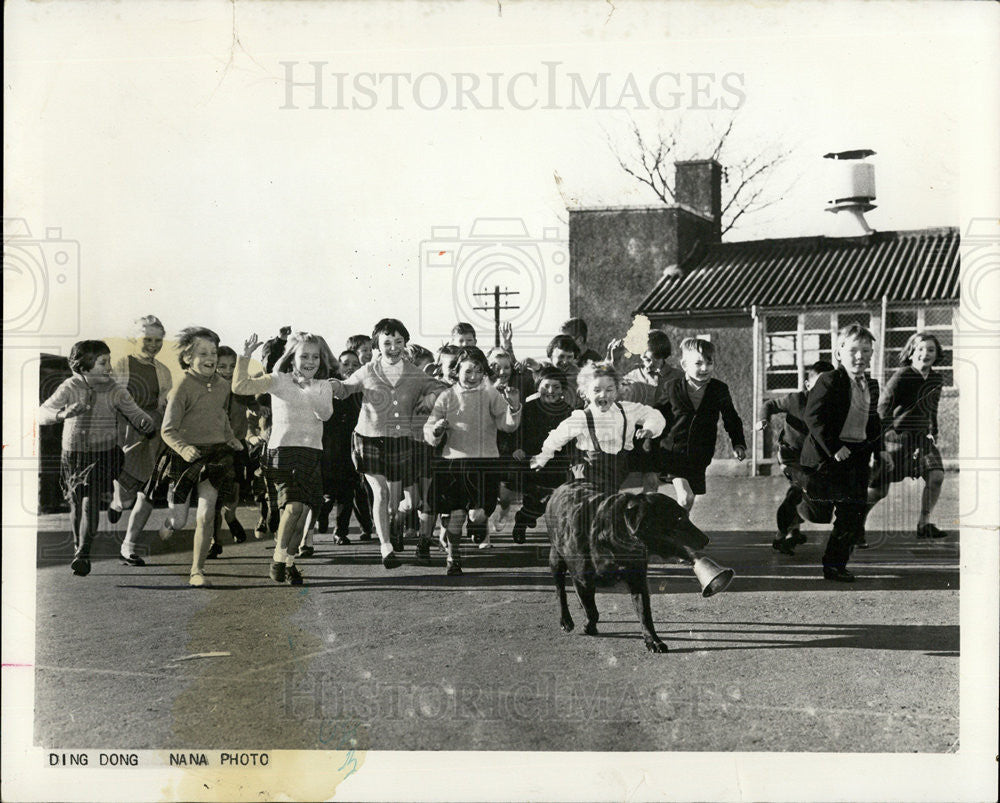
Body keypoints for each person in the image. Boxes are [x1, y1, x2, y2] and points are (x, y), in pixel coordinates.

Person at [329, 318, 442, 569]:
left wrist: (432, 396)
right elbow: (347, 388)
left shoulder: (414, 373)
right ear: (377, 344)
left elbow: (444, 389)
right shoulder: (368, 369)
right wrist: (336, 385)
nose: (393, 347)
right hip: (368, 438)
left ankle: (392, 527)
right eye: (387, 342)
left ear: (405, 343)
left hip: (399, 442)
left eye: (398, 342)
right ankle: (386, 547)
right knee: (379, 492)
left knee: (394, 502)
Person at [39, 340, 154, 576]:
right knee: (75, 503)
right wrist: (64, 414)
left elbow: (136, 413)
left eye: (109, 361)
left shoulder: (115, 389)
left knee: (90, 500)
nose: (110, 367)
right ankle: (78, 544)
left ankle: (83, 552)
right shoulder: (69, 386)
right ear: (84, 366)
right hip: (74, 454)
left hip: (103, 453)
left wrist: (146, 423)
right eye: (103, 362)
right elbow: (42, 413)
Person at [233, 332, 336, 585]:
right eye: (304, 356)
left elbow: (324, 414)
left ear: (321, 361)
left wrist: (308, 389)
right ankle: (279, 559)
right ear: (292, 357)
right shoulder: (279, 380)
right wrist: (245, 357)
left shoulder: (323, 386)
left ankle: (288, 563)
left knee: (302, 516)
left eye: (315, 357)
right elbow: (240, 387)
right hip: (282, 453)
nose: (309, 361)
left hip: (311, 454)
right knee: (294, 507)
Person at [799, 323, 886, 582]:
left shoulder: (871, 385)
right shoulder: (830, 380)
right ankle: (800, 503)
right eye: (853, 350)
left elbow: (872, 421)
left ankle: (835, 565)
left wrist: (881, 450)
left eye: (866, 351)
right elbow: (812, 417)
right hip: (830, 455)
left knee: (853, 512)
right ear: (839, 353)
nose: (860, 356)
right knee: (821, 507)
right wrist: (834, 448)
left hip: (857, 455)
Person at [157, 327, 244, 587]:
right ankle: (170, 523)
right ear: (187, 357)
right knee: (181, 519)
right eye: (203, 352)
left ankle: (197, 569)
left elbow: (221, 416)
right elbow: (167, 430)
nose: (211, 357)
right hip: (185, 456)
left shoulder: (223, 385)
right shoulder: (182, 386)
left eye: (214, 352)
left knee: (206, 515)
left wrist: (229, 437)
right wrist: (183, 448)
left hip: (215, 454)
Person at [424, 346, 522, 573]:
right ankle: (453, 557)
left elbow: (507, 425)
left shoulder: (490, 394)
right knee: (458, 515)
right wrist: (437, 430)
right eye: (468, 371)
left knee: (478, 516)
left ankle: (456, 533)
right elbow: (430, 430)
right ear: (457, 371)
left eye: (479, 372)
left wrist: (515, 406)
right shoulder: (447, 396)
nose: (474, 377)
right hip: (455, 464)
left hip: (486, 464)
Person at [530, 362, 664, 495]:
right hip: (587, 472)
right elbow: (558, 436)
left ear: (617, 390)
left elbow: (653, 414)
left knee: (609, 504)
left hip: (617, 470)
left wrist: (650, 429)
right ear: (584, 393)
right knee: (590, 507)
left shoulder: (627, 410)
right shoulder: (582, 417)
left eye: (609, 390)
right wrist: (543, 457)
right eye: (597, 390)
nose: (603, 395)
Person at [866, 332, 947, 539]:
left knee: (936, 476)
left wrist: (933, 431)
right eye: (920, 349)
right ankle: (855, 525)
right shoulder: (902, 375)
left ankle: (924, 524)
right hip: (896, 439)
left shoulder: (937, 379)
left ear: (936, 354)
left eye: (931, 350)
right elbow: (882, 406)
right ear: (911, 353)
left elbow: (933, 409)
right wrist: (888, 432)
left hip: (922, 439)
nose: (925, 354)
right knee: (878, 491)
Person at [655, 338, 747, 512]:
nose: (705, 368)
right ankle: (673, 529)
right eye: (698, 363)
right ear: (684, 365)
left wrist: (738, 443)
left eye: (709, 363)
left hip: (700, 455)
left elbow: (731, 418)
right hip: (674, 453)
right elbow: (656, 415)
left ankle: (679, 534)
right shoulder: (671, 388)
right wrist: (648, 436)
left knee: (688, 504)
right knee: (685, 497)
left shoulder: (719, 389)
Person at [110, 315, 173, 566]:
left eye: (158, 340)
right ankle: (117, 502)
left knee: (148, 492)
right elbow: (110, 400)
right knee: (126, 496)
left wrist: (156, 417)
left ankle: (129, 546)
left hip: (153, 436)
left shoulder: (164, 371)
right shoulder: (120, 365)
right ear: (133, 338)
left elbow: (166, 403)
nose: (153, 344)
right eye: (147, 338)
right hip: (125, 434)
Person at [756, 360, 835, 555]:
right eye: (818, 386)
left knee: (803, 493)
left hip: (812, 459)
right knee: (801, 488)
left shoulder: (834, 407)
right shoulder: (797, 400)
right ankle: (782, 533)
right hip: (790, 456)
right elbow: (770, 404)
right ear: (808, 386)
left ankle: (791, 532)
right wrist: (763, 420)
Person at [506, 365, 574, 543]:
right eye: (546, 386)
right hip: (530, 460)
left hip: (556, 462)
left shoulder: (568, 412)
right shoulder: (528, 408)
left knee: (553, 500)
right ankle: (524, 518)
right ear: (538, 387)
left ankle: (525, 517)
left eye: (556, 387)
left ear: (563, 390)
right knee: (537, 497)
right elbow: (517, 431)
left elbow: (572, 439)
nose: (551, 391)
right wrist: (517, 447)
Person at [318, 349, 374, 545]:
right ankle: (322, 513)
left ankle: (340, 532)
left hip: (353, 446)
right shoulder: (329, 386)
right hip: (329, 446)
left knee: (347, 491)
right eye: (345, 363)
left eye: (354, 365)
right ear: (338, 366)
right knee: (327, 491)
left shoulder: (362, 389)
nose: (350, 368)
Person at [206, 346, 256, 557]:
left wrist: (258, 408)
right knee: (214, 499)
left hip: (237, 447)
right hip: (214, 448)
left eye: (232, 367)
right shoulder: (208, 388)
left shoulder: (240, 388)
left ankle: (232, 518)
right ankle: (214, 541)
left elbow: (253, 401)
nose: (227, 371)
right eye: (222, 366)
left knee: (231, 497)